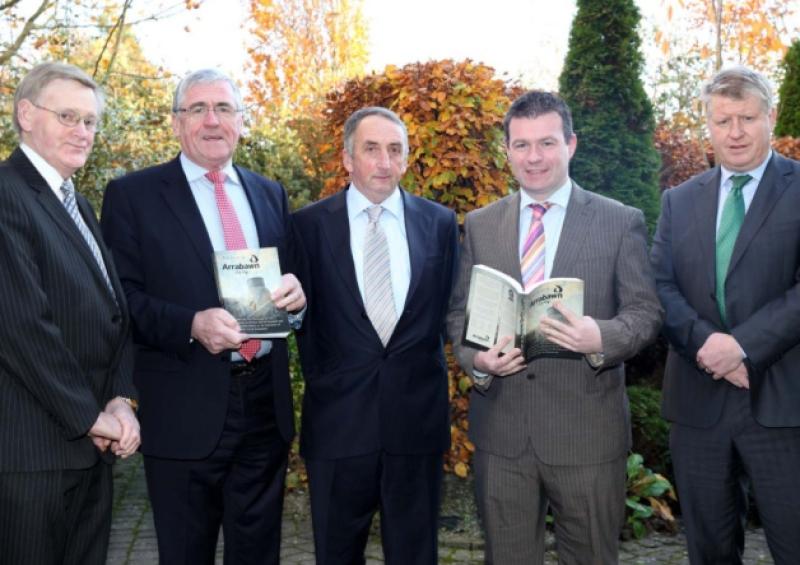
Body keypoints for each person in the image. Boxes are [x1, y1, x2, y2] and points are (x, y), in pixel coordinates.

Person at [447, 90, 663, 564]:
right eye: (521, 145)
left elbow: (645, 313)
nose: (534, 157)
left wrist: (600, 337)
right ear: (506, 151)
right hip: (503, 436)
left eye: (546, 143)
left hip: (586, 435)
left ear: (571, 145)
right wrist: (478, 360)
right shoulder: (482, 225)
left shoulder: (618, 221)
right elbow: (460, 314)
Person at [101, 69, 306, 565]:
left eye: (224, 109)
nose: (212, 121)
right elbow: (119, 299)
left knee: (258, 553)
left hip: (263, 404)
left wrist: (300, 297)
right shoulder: (133, 196)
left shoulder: (268, 193)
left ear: (241, 122)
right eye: (197, 109)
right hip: (183, 405)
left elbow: (290, 281)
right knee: (186, 552)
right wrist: (190, 324)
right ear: (176, 123)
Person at [293, 106, 458, 564]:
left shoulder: (440, 224)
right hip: (338, 425)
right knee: (337, 554)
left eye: (395, 150)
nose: (384, 162)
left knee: (415, 554)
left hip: (416, 426)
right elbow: (295, 318)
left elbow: (448, 310)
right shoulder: (306, 227)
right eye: (371, 149)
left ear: (406, 160)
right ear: (348, 158)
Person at [650, 66, 800, 564]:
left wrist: (742, 346)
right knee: (710, 550)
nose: (734, 132)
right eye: (721, 120)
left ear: (770, 118)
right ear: (707, 125)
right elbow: (662, 287)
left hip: (783, 402)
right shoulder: (678, 201)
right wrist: (707, 347)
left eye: (746, 118)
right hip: (698, 403)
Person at [0, 62, 140, 565]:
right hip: (28, 459)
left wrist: (122, 399)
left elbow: (113, 314)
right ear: (26, 115)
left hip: (86, 455)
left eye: (90, 121)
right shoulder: (6, 194)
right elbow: (21, 328)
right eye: (68, 116)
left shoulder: (76, 203)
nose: (82, 132)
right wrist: (91, 417)